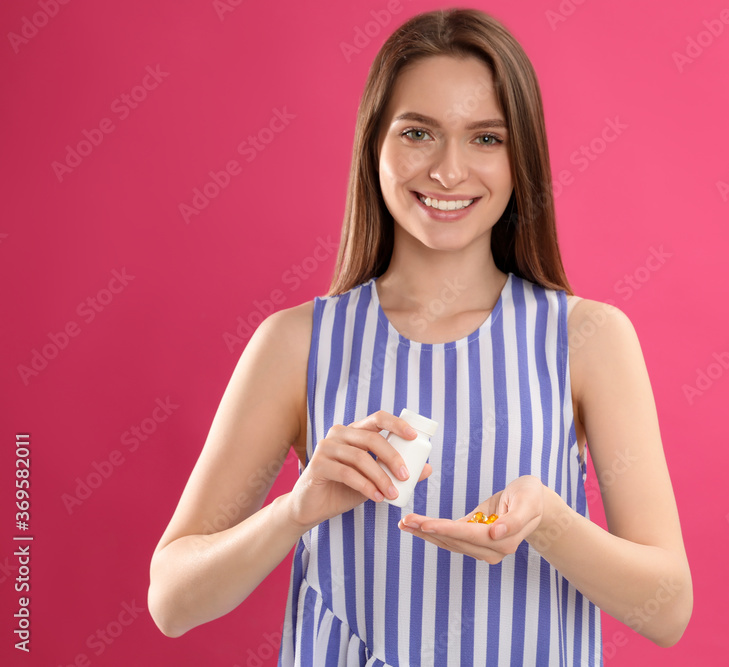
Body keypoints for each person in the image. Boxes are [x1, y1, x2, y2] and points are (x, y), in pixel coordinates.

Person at [148, 8, 692, 665]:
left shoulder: (588, 338)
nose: (448, 170)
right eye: (418, 133)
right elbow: (173, 600)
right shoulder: (295, 344)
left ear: (522, 157)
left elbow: (667, 609)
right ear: (374, 144)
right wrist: (293, 511)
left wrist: (548, 521)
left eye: (486, 139)